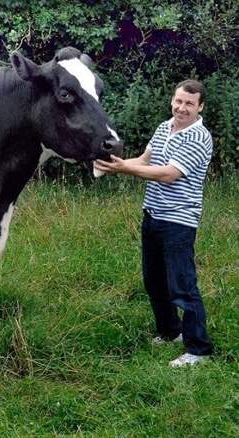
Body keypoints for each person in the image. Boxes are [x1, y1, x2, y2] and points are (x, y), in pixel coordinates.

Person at [94, 79, 214, 368]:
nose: (181, 108)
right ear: (172, 100)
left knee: (182, 286)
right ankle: (170, 332)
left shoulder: (199, 137)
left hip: (178, 221)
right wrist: (114, 166)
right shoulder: (164, 127)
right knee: (155, 281)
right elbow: (146, 160)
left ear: (200, 107)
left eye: (189, 103)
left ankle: (198, 349)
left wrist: (124, 168)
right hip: (153, 215)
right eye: (178, 101)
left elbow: (169, 174)